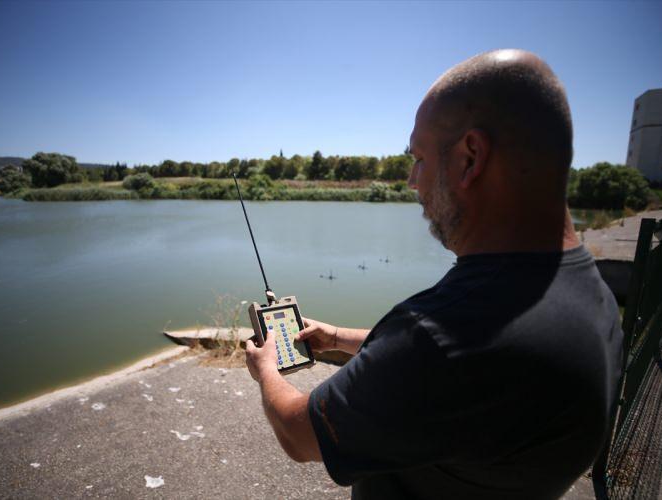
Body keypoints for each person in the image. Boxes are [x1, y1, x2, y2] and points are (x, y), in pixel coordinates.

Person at [245, 49, 623, 499]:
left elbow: (298, 433)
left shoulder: (444, 334)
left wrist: (267, 369)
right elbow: (458, 377)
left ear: (470, 158)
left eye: (419, 159)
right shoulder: (590, 293)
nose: (411, 181)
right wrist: (339, 336)